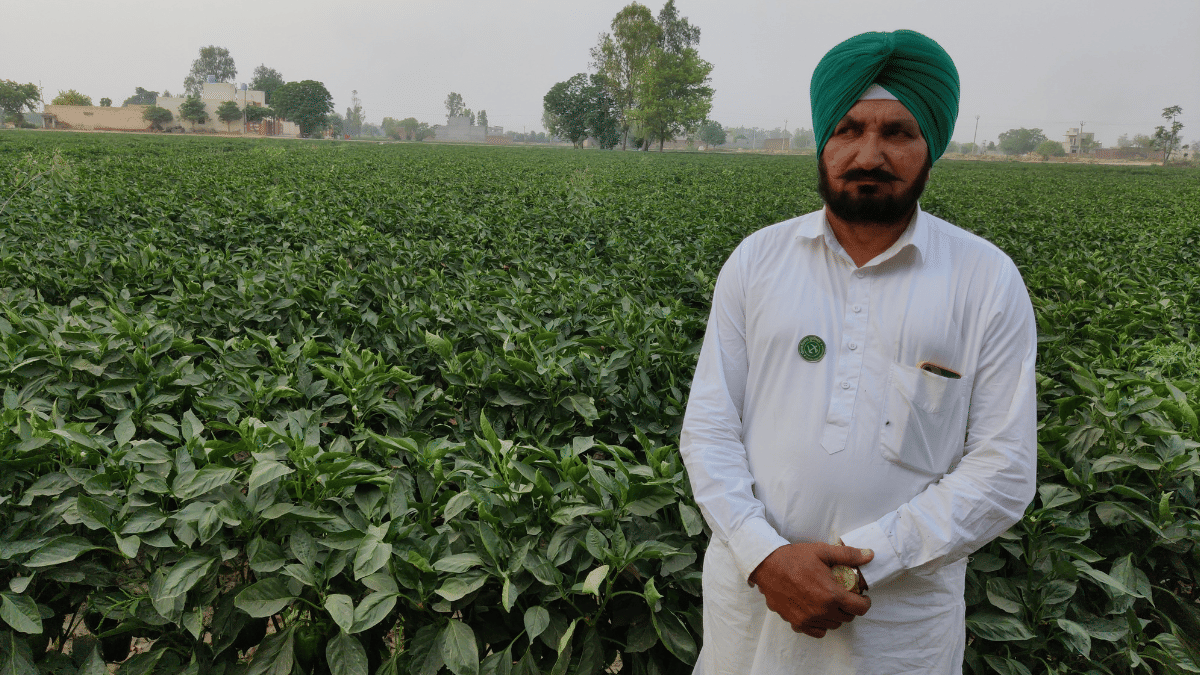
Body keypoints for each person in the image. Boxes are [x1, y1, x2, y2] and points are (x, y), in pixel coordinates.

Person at [679, 29, 1037, 674]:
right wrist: (766, 556)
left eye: (898, 132)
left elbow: (1004, 469)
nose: (869, 153)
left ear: (932, 148)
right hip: (753, 613)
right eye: (848, 129)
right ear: (823, 141)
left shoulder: (985, 279)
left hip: (898, 633)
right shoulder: (758, 261)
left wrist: (868, 561)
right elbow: (708, 429)